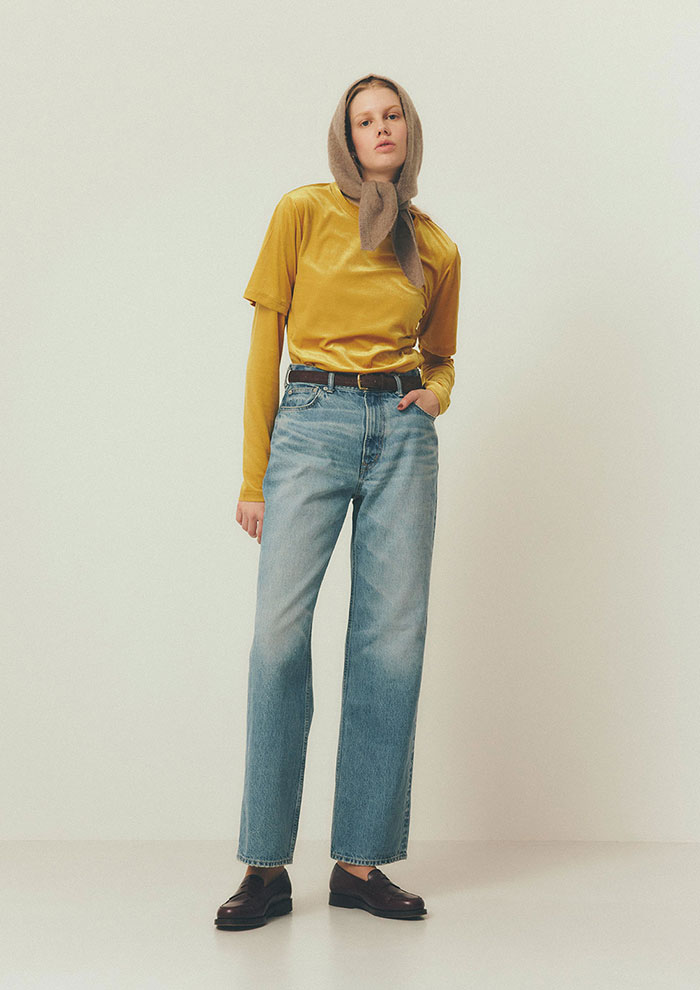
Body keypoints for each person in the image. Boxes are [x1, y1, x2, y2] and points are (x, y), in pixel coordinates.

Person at [215, 73, 461, 930]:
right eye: (364, 119)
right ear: (346, 137)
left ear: (408, 131)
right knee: (278, 640)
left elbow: (441, 357)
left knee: (390, 643)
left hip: (402, 434)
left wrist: (436, 396)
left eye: (392, 115)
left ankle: (359, 863)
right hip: (312, 420)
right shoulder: (303, 211)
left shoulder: (436, 245)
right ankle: (265, 865)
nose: (380, 128)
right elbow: (265, 344)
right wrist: (254, 476)